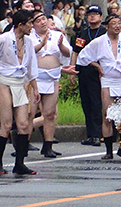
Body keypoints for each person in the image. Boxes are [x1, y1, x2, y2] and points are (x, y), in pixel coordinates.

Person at [74, 13, 121, 161]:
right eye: (114, 24)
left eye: (119, 23)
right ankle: (108, 150)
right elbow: (83, 56)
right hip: (108, 79)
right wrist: (97, 66)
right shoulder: (99, 42)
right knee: (107, 115)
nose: (117, 26)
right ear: (107, 26)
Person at [0, 10, 39, 176]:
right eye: (29, 23)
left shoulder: (29, 41)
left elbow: (31, 66)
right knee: (6, 124)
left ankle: (20, 163)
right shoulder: (4, 39)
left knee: (23, 124)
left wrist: (35, 87)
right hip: (4, 80)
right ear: (20, 25)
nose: (31, 27)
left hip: (20, 81)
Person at [29, 10, 71, 157]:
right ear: (33, 24)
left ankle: (48, 146)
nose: (42, 22)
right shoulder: (29, 37)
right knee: (30, 113)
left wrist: (61, 46)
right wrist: (42, 44)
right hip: (35, 79)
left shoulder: (57, 35)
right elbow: (28, 53)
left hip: (52, 77)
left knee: (50, 113)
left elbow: (68, 53)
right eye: (38, 20)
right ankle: (22, 144)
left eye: (43, 19)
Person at [70, 3, 106, 147]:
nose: (92, 17)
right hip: (84, 71)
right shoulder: (83, 33)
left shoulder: (104, 33)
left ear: (100, 17)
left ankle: (98, 134)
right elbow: (76, 52)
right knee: (86, 103)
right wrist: (72, 70)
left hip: (99, 72)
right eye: (90, 14)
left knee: (97, 103)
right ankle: (90, 134)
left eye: (95, 14)